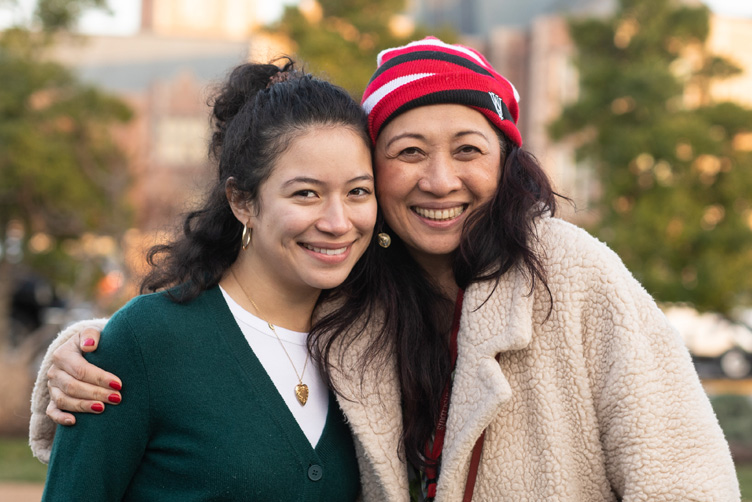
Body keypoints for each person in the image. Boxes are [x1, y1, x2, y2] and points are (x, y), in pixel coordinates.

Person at [31, 38, 739, 501]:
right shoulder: (362, 309)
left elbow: (681, 474)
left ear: (505, 161)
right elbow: (234, 347)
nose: (440, 180)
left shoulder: (574, 275)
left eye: (468, 149)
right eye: (406, 153)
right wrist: (92, 346)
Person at [37, 59, 378, 501]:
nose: (338, 222)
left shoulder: (370, 344)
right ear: (242, 202)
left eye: (358, 192)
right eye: (306, 193)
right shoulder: (147, 341)